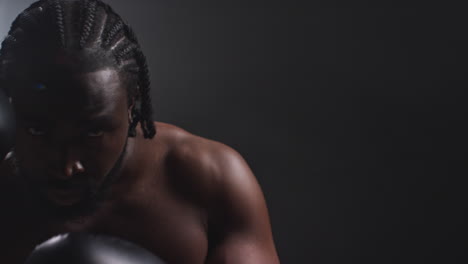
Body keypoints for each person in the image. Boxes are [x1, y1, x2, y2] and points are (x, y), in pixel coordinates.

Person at [0, 0, 280, 263]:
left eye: (93, 133)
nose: (68, 167)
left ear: (132, 103)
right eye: (38, 130)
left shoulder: (208, 177)